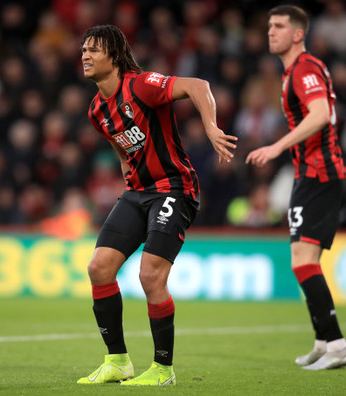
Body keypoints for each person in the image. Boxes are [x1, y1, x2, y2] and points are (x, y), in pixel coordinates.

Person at [77, 25, 237, 386]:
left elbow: (198, 85)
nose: (85, 55)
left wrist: (210, 127)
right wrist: (126, 166)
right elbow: (119, 142)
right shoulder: (96, 110)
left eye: (94, 50)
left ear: (114, 56)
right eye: (83, 50)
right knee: (99, 268)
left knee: (150, 275)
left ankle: (163, 370)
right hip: (138, 191)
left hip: (174, 188)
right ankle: (117, 361)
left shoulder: (142, 84)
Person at [246, 5, 346, 370]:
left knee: (303, 262)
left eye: (278, 26)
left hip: (320, 175)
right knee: (302, 261)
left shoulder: (304, 68)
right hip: (309, 174)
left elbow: (320, 113)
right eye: (268, 25)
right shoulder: (295, 70)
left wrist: (277, 146)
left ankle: (337, 344)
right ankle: (324, 341)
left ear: (297, 33)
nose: (270, 31)